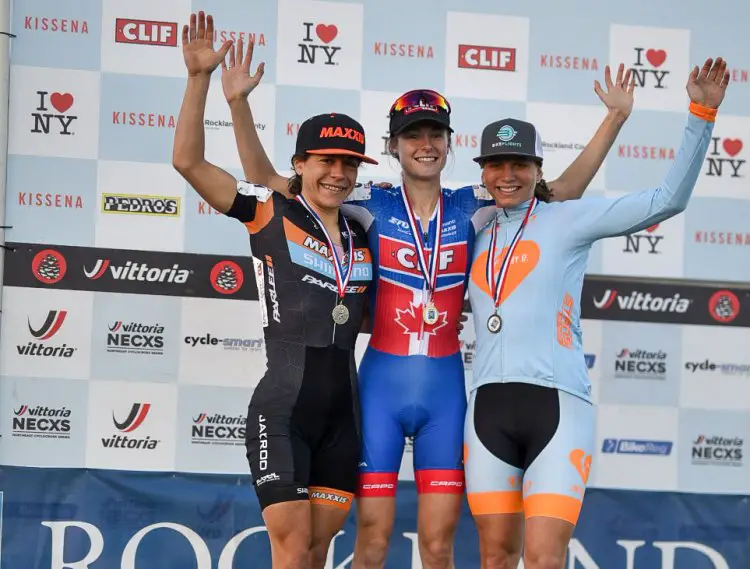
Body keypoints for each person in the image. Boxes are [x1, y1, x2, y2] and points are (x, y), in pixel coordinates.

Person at [219, 27, 633, 569]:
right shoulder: (365, 199)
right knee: (371, 542)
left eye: (436, 133)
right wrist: (238, 105)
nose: (426, 143)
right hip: (380, 386)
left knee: (438, 546)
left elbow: (560, 193)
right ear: (394, 146)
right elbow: (271, 186)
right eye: (413, 134)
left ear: (449, 143)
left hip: (444, 389)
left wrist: (613, 121)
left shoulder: (476, 203)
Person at [464, 56, 729, 569]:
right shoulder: (472, 230)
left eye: (520, 164)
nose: (508, 175)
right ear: (484, 172)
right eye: (496, 164)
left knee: (543, 558)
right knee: (494, 558)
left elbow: (667, 201)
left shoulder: (568, 218)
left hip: (558, 410)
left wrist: (701, 113)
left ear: (539, 171)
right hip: (486, 411)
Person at [172, 12, 379, 569]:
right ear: (300, 165)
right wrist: (202, 82)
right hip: (283, 409)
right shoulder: (268, 210)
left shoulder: (363, 231)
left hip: (346, 415)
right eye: (326, 161)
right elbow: (188, 162)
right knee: (289, 550)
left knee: (316, 550)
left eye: (349, 163)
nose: (338, 172)